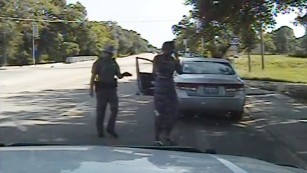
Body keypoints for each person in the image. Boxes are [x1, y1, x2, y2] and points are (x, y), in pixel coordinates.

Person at [90, 45, 132, 138]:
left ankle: (110, 128)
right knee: (101, 110)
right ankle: (100, 130)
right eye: (106, 53)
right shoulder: (99, 62)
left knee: (114, 109)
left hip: (112, 89)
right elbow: (93, 76)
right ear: (103, 53)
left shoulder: (113, 63)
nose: (108, 55)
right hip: (102, 89)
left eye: (109, 54)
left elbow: (119, 75)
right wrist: (91, 89)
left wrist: (124, 74)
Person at [152, 41, 182, 146]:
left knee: (171, 113)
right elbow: (155, 71)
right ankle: (159, 138)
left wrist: (177, 59)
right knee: (162, 113)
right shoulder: (160, 58)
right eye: (171, 48)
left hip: (166, 85)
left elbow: (180, 71)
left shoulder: (168, 59)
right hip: (163, 85)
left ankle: (165, 136)